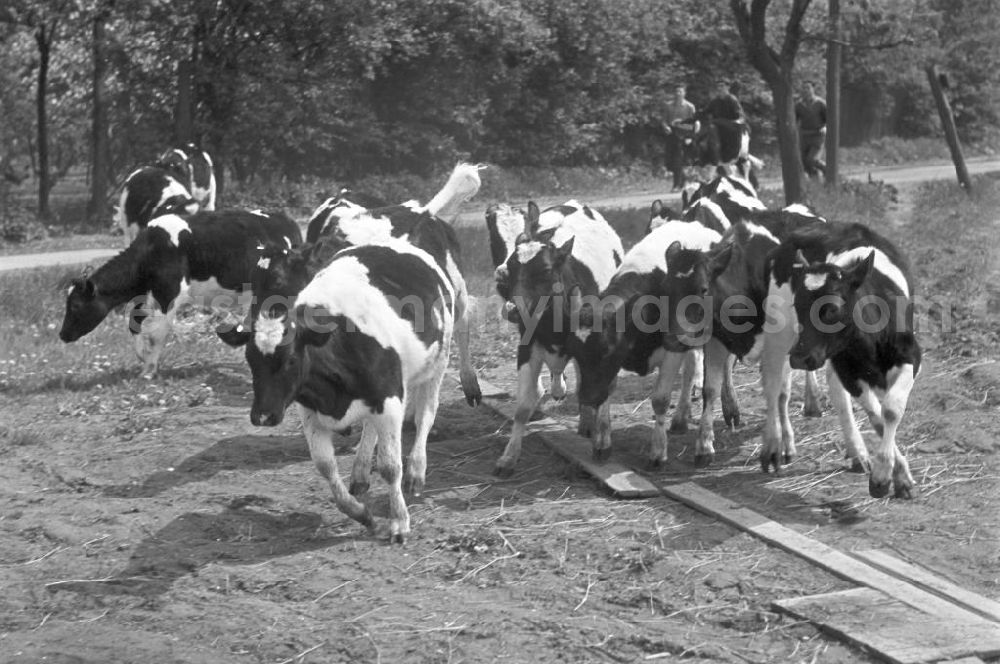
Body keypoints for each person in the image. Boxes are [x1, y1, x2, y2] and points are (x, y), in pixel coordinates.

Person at [662, 84, 698, 190]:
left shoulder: (690, 107)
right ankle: (684, 179)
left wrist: (689, 133)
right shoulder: (668, 106)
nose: (678, 94)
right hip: (672, 134)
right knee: (670, 161)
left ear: (684, 93)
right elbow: (664, 120)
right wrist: (666, 127)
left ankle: (676, 185)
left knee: (678, 159)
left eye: (680, 92)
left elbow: (694, 123)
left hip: (684, 134)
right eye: (676, 91)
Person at [796, 80, 828, 179]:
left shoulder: (820, 103)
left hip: (817, 136)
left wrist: (825, 127)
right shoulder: (798, 105)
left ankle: (828, 170)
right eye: (804, 88)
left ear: (813, 89)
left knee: (812, 159)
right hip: (804, 136)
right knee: (804, 162)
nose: (806, 90)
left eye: (808, 88)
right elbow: (794, 120)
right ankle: (816, 182)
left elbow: (829, 118)